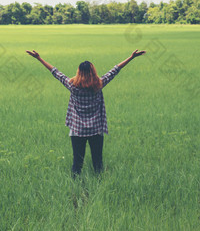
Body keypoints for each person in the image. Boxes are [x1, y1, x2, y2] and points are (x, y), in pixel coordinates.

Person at [26, 48, 146, 178]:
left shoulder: (72, 86)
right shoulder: (99, 84)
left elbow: (55, 72)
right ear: (93, 72)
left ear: (79, 72)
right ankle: (99, 185)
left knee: (77, 163)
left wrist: (39, 58)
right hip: (96, 130)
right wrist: (131, 57)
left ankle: (75, 188)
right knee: (98, 162)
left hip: (77, 131)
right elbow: (115, 70)